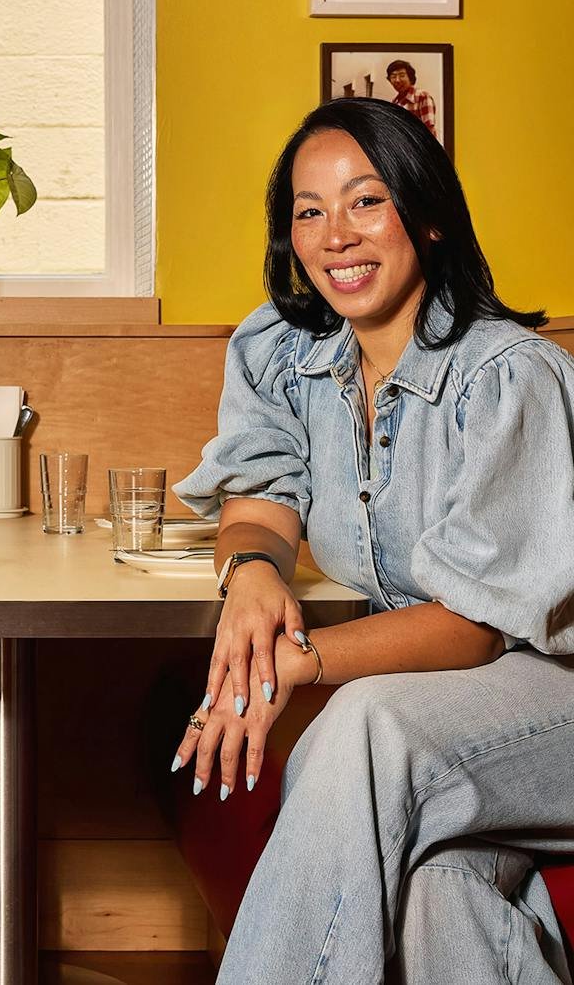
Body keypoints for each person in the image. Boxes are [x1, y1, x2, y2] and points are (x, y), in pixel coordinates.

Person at [169, 98, 574, 982]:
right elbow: (261, 498)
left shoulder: (511, 377)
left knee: (363, 728)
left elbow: (474, 626)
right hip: (455, 712)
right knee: (439, 888)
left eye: (366, 201)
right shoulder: (285, 352)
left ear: (427, 216)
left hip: (554, 696)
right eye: (309, 211)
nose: (336, 236)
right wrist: (252, 573)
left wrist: (293, 663)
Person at [387, 58, 438, 138]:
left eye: (402, 75)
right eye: (393, 76)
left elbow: (429, 131)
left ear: (410, 78)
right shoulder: (394, 102)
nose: (397, 80)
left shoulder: (422, 96)